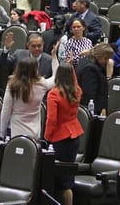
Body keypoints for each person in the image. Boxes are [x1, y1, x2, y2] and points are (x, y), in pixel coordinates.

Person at [0, 42, 59, 139]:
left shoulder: (12, 85)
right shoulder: (42, 83)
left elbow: (6, 111)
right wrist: (54, 57)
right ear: (35, 69)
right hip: (34, 132)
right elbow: (56, 78)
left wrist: (2, 133)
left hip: (16, 130)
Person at [45, 63, 83, 205]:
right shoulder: (77, 90)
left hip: (60, 138)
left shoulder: (54, 94)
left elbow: (52, 119)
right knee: (67, 179)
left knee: (57, 179)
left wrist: (47, 137)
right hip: (74, 136)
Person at [76, 43, 114, 115]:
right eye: (106, 58)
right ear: (98, 56)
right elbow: (89, 95)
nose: (107, 61)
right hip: (93, 110)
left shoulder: (85, 60)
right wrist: (93, 115)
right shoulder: (90, 69)